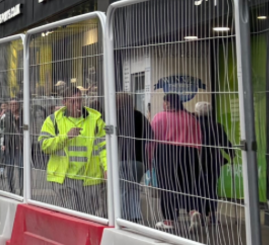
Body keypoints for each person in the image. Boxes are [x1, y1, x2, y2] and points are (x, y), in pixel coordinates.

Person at [38, 85, 108, 216]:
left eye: (79, 101)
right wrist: (65, 137)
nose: (77, 105)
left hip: (90, 179)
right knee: (71, 214)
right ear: (64, 102)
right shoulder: (53, 121)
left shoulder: (95, 119)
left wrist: (107, 168)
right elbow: (44, 145)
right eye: (73, 101)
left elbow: (104, 147)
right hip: (65, 179)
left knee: (89, 216)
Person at [150, 92, 202, 229]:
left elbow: (152, 139)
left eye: (164, 101)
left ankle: (168, 220)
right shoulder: (190, 118)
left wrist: (149, 157)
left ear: (167, 103)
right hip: (190, 153)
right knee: (189, 185)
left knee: (167, 187)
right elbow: (199, 140)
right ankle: (193, 211)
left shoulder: (159, 117)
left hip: (167, 153)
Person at [193, 100, 233, 224]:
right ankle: (212, 215)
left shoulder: (193, 126)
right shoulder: (216, 126)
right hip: (213, 161)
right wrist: (231, 154)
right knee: (211, 188)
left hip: (196, 160)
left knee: (198, 188)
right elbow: (225, 143)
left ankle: (199, 213)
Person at [115, 92, 152, 223]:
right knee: (134, 188)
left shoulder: (113, 117)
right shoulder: (139, 116)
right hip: (138, 160)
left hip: (119, 159)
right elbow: (150, 136)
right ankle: (135, 215)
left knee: (123, 189)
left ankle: (123, 217)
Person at [0, 98, 24, 193]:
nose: (13, 106)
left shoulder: (23, 116)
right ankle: (11, 189)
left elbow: (26, 130)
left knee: (21, 169)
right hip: (9, 146)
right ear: (9, 106)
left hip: (20, 147)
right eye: (11, 104)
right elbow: (2, 131)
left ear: (18, 105)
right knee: (10, 170)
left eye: (15, 104)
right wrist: (3, 144)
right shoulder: (6, 117)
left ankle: (22, 189)